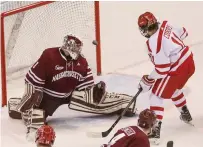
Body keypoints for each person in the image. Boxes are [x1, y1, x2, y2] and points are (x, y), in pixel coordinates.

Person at [8, 34, 136, 138]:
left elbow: (86, 86)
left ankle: (125, 104)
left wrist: (96, 91)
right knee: (36, 118)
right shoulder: (49, 56)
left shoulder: (82, 62)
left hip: (69, 94)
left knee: (95, 100)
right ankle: (17, 107)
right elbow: (31, 79)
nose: (76, 52)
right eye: (74, 50)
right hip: (47, 97)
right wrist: (32, 93)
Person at [137, 12, 195, 144]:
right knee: (172, 88)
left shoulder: (153, 41)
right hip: (189, 62)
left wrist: (148, 79)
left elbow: (162, 69)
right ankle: (185, 114)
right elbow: (183, 32)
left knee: (156, 95)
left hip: (177, 68)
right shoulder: (165, 23)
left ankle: (154, 131)